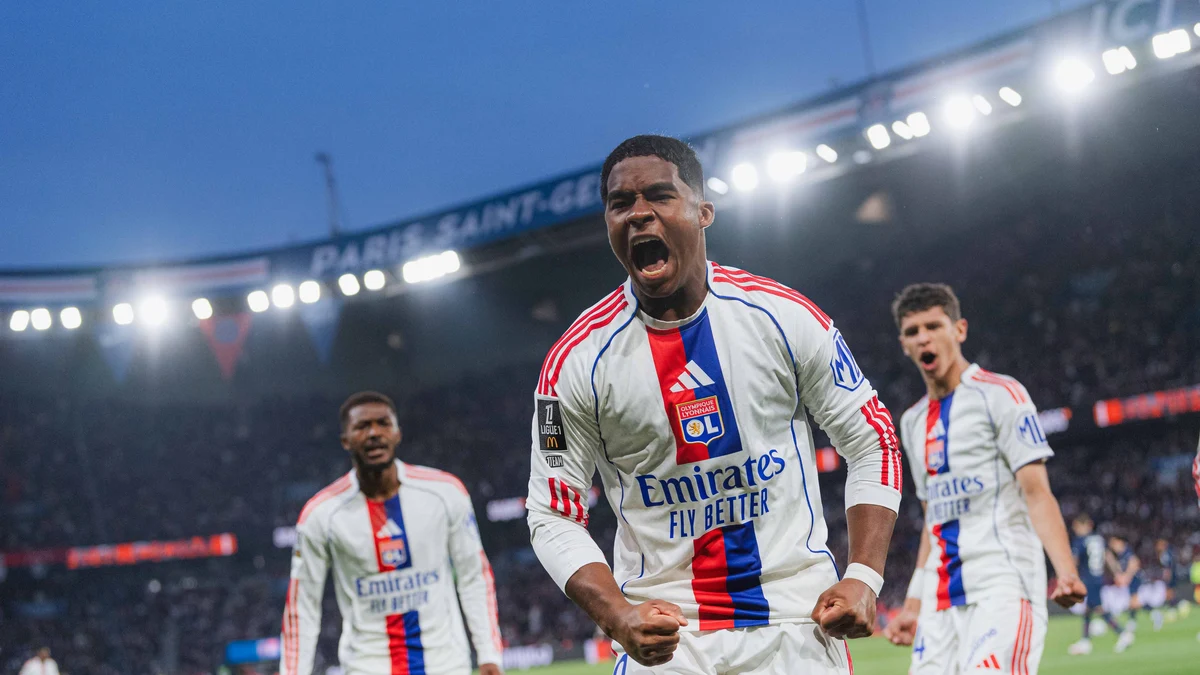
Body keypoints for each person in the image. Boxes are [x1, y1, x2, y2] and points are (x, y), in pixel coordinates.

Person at [526, 135, 903, 675]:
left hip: (795, 625)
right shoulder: (573, 363)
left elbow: (873, 440)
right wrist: (617, 615)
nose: (638, 214)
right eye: (620, 203)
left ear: (703, 212)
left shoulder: (784, 317)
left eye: (660, 195)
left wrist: (864, 575)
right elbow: (552, 512)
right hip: (667, 639)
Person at [881, 283, 1084, 674]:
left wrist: (1066, 571)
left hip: (1002, 584)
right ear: (904, 344)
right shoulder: (912, 421)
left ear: (959, 330)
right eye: (912, 331)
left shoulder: (1002, 395)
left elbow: (1037, 493)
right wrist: (913, 604)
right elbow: (933, 519)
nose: (923, 337)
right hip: (941, 598)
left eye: (933, 326)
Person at [281, 391, 503, 675]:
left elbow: (473, 576)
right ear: (345, 440)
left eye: (383, 423)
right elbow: (302, 606)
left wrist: (489, 654)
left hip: (446, 665)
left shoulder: (445, 493)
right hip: (367, 667)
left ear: (398, 433)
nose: (374, 433)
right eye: (362, 426)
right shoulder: (321, 515)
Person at [1065, 514, 1124, 654]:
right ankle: (1085, 641)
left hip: (1088, 578)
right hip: (1099, 577)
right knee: (1088, 609)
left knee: (1098, 608)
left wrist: (1069, 577)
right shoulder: (1099, 539)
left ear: (1082, 525)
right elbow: (1108, 557)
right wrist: (1117, 573)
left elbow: (1074, 560)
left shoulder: (1081, 541)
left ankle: (1121, 632)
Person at [1109, 534, 1143, 644]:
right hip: (1128, 579)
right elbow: (1119, 568)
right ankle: (1132, 620)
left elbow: (1134, 563)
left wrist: (1127, 576)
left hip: (1134, 578)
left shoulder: (1127, 551)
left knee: (1134, 601)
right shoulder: (1119, 555)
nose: (1112, 546)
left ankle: (1150, 615)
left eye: (1114, 543)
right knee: (1131, 601)